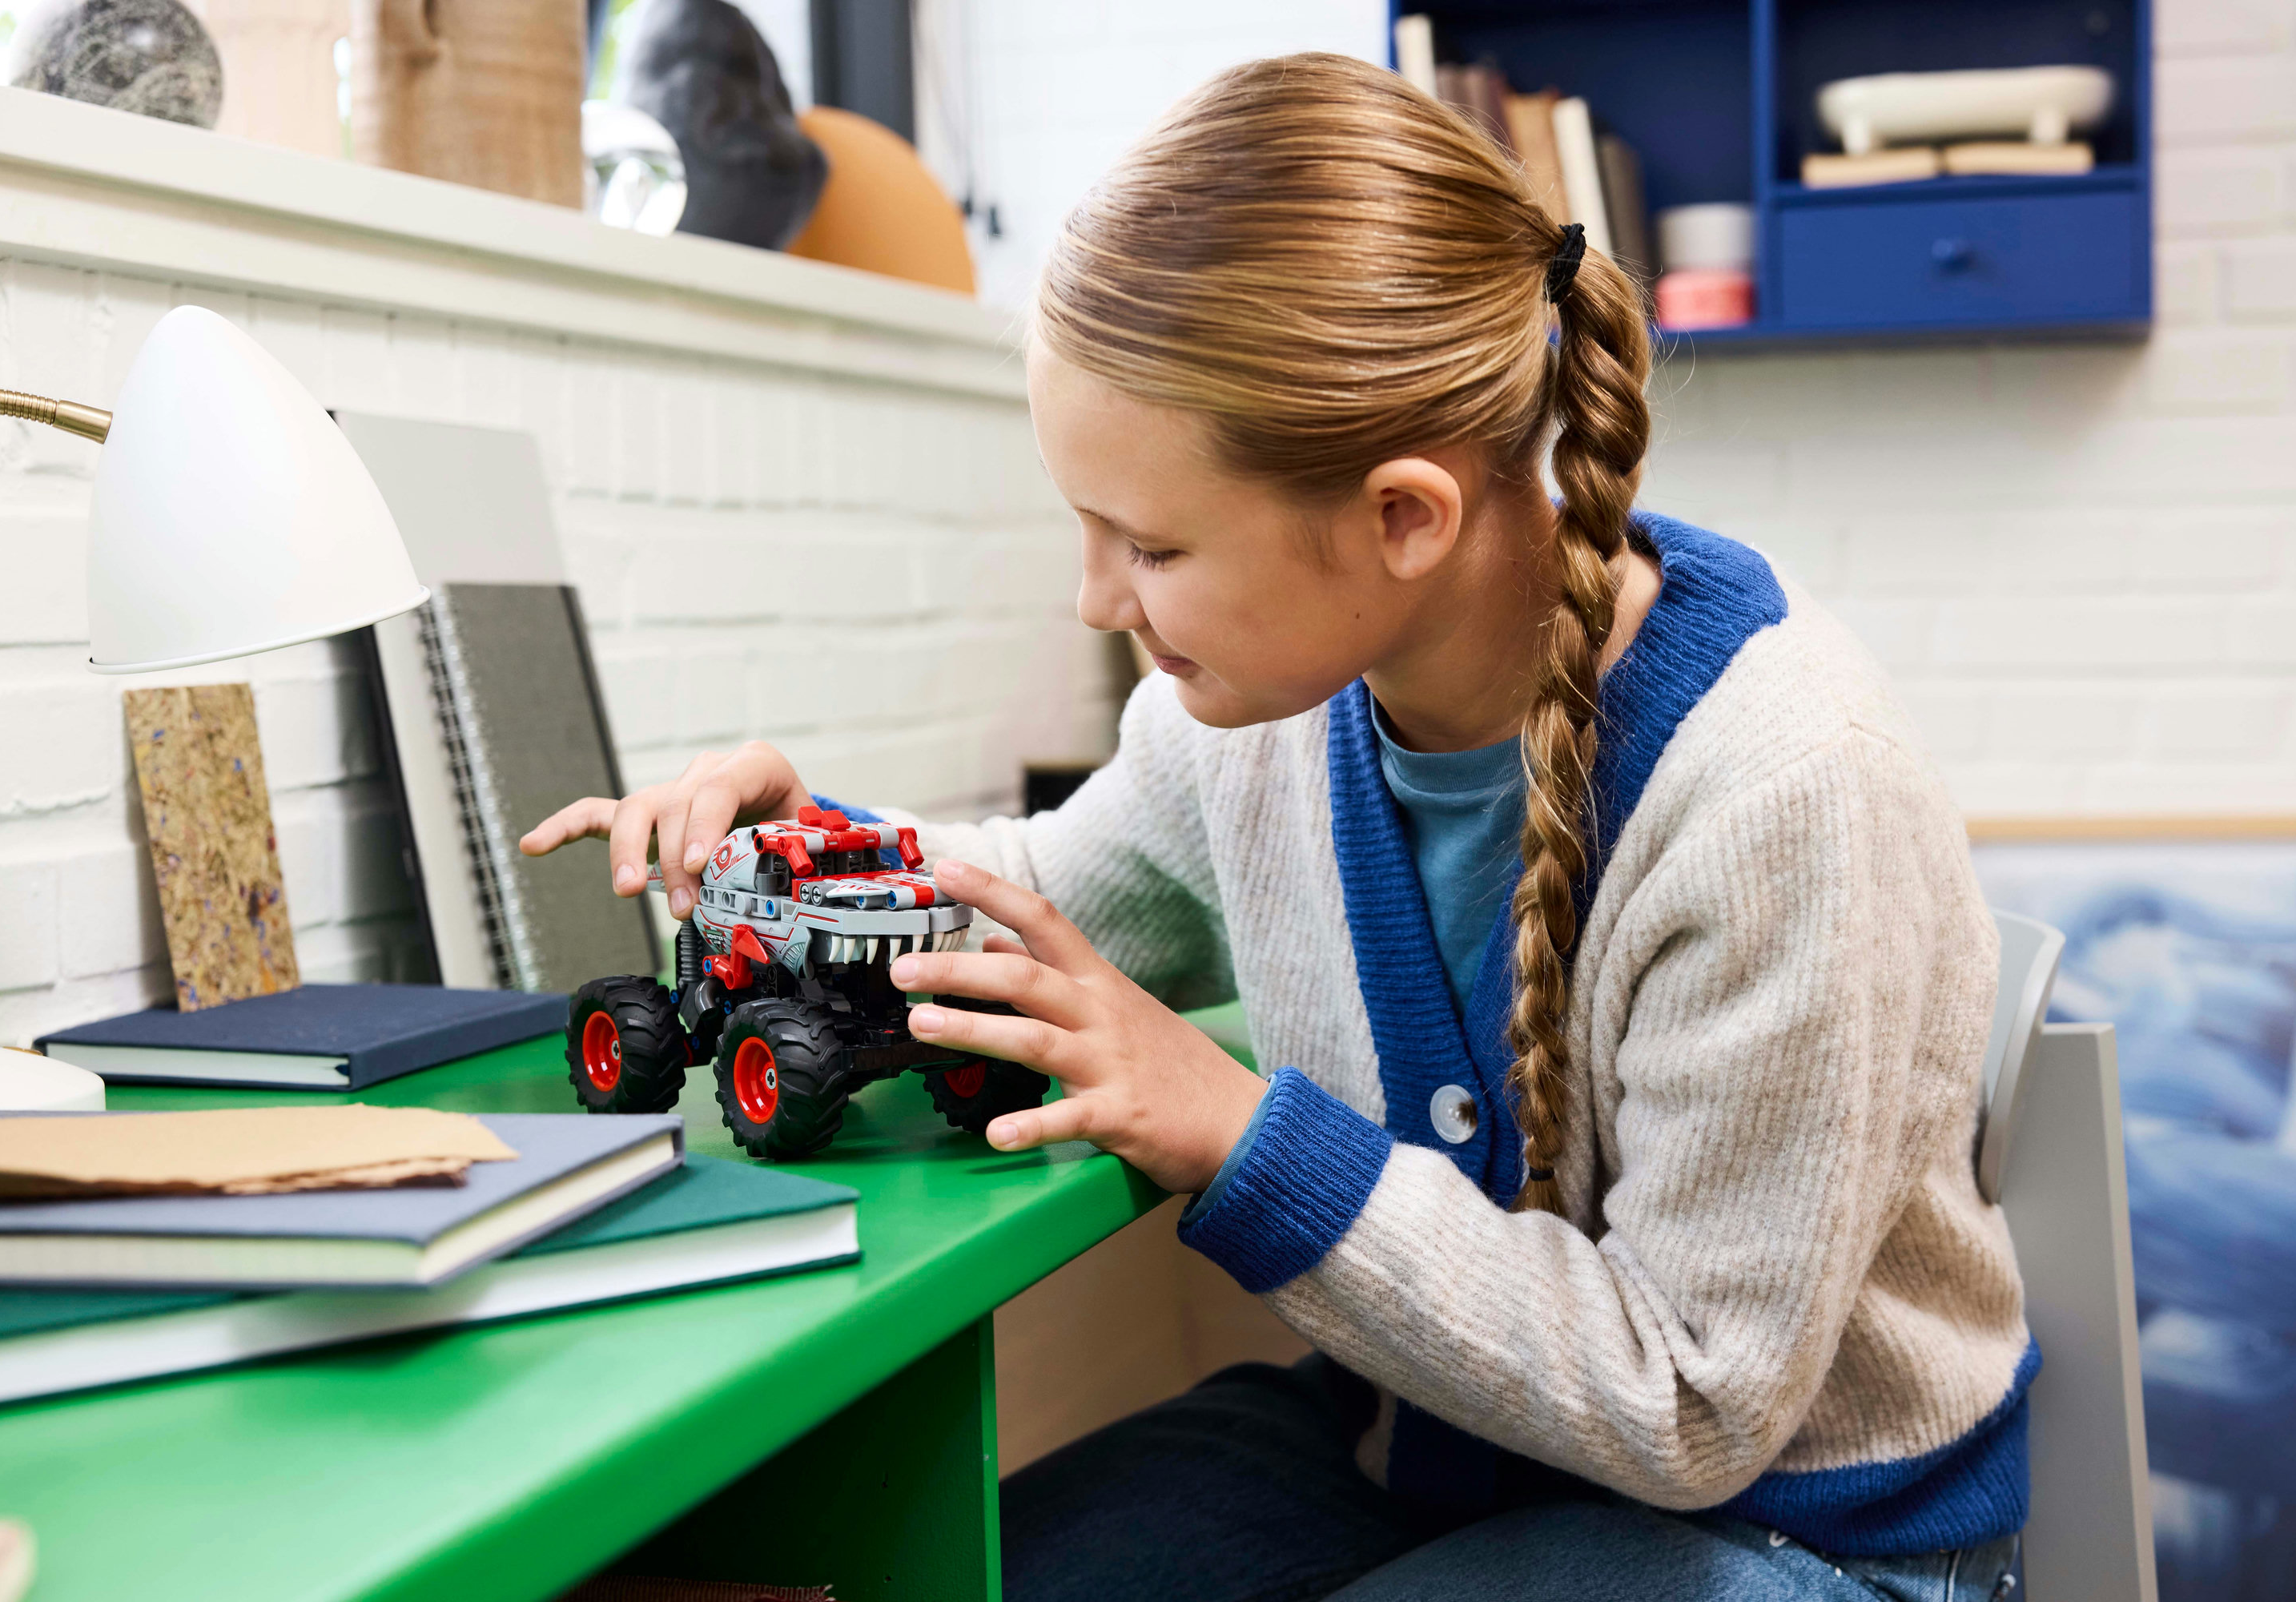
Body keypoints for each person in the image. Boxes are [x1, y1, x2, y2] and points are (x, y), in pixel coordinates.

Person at [523, 53, 2029, 1602]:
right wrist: (826, 855)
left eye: (1153, 545)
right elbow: (1048, 910)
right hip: (1413, 1448)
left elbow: (1693, 1403)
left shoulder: (1779, 792)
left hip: (1784, 1540)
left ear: (1401, 518)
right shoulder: (1248, 723)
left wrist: (1243, 1136)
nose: (1097, 600)